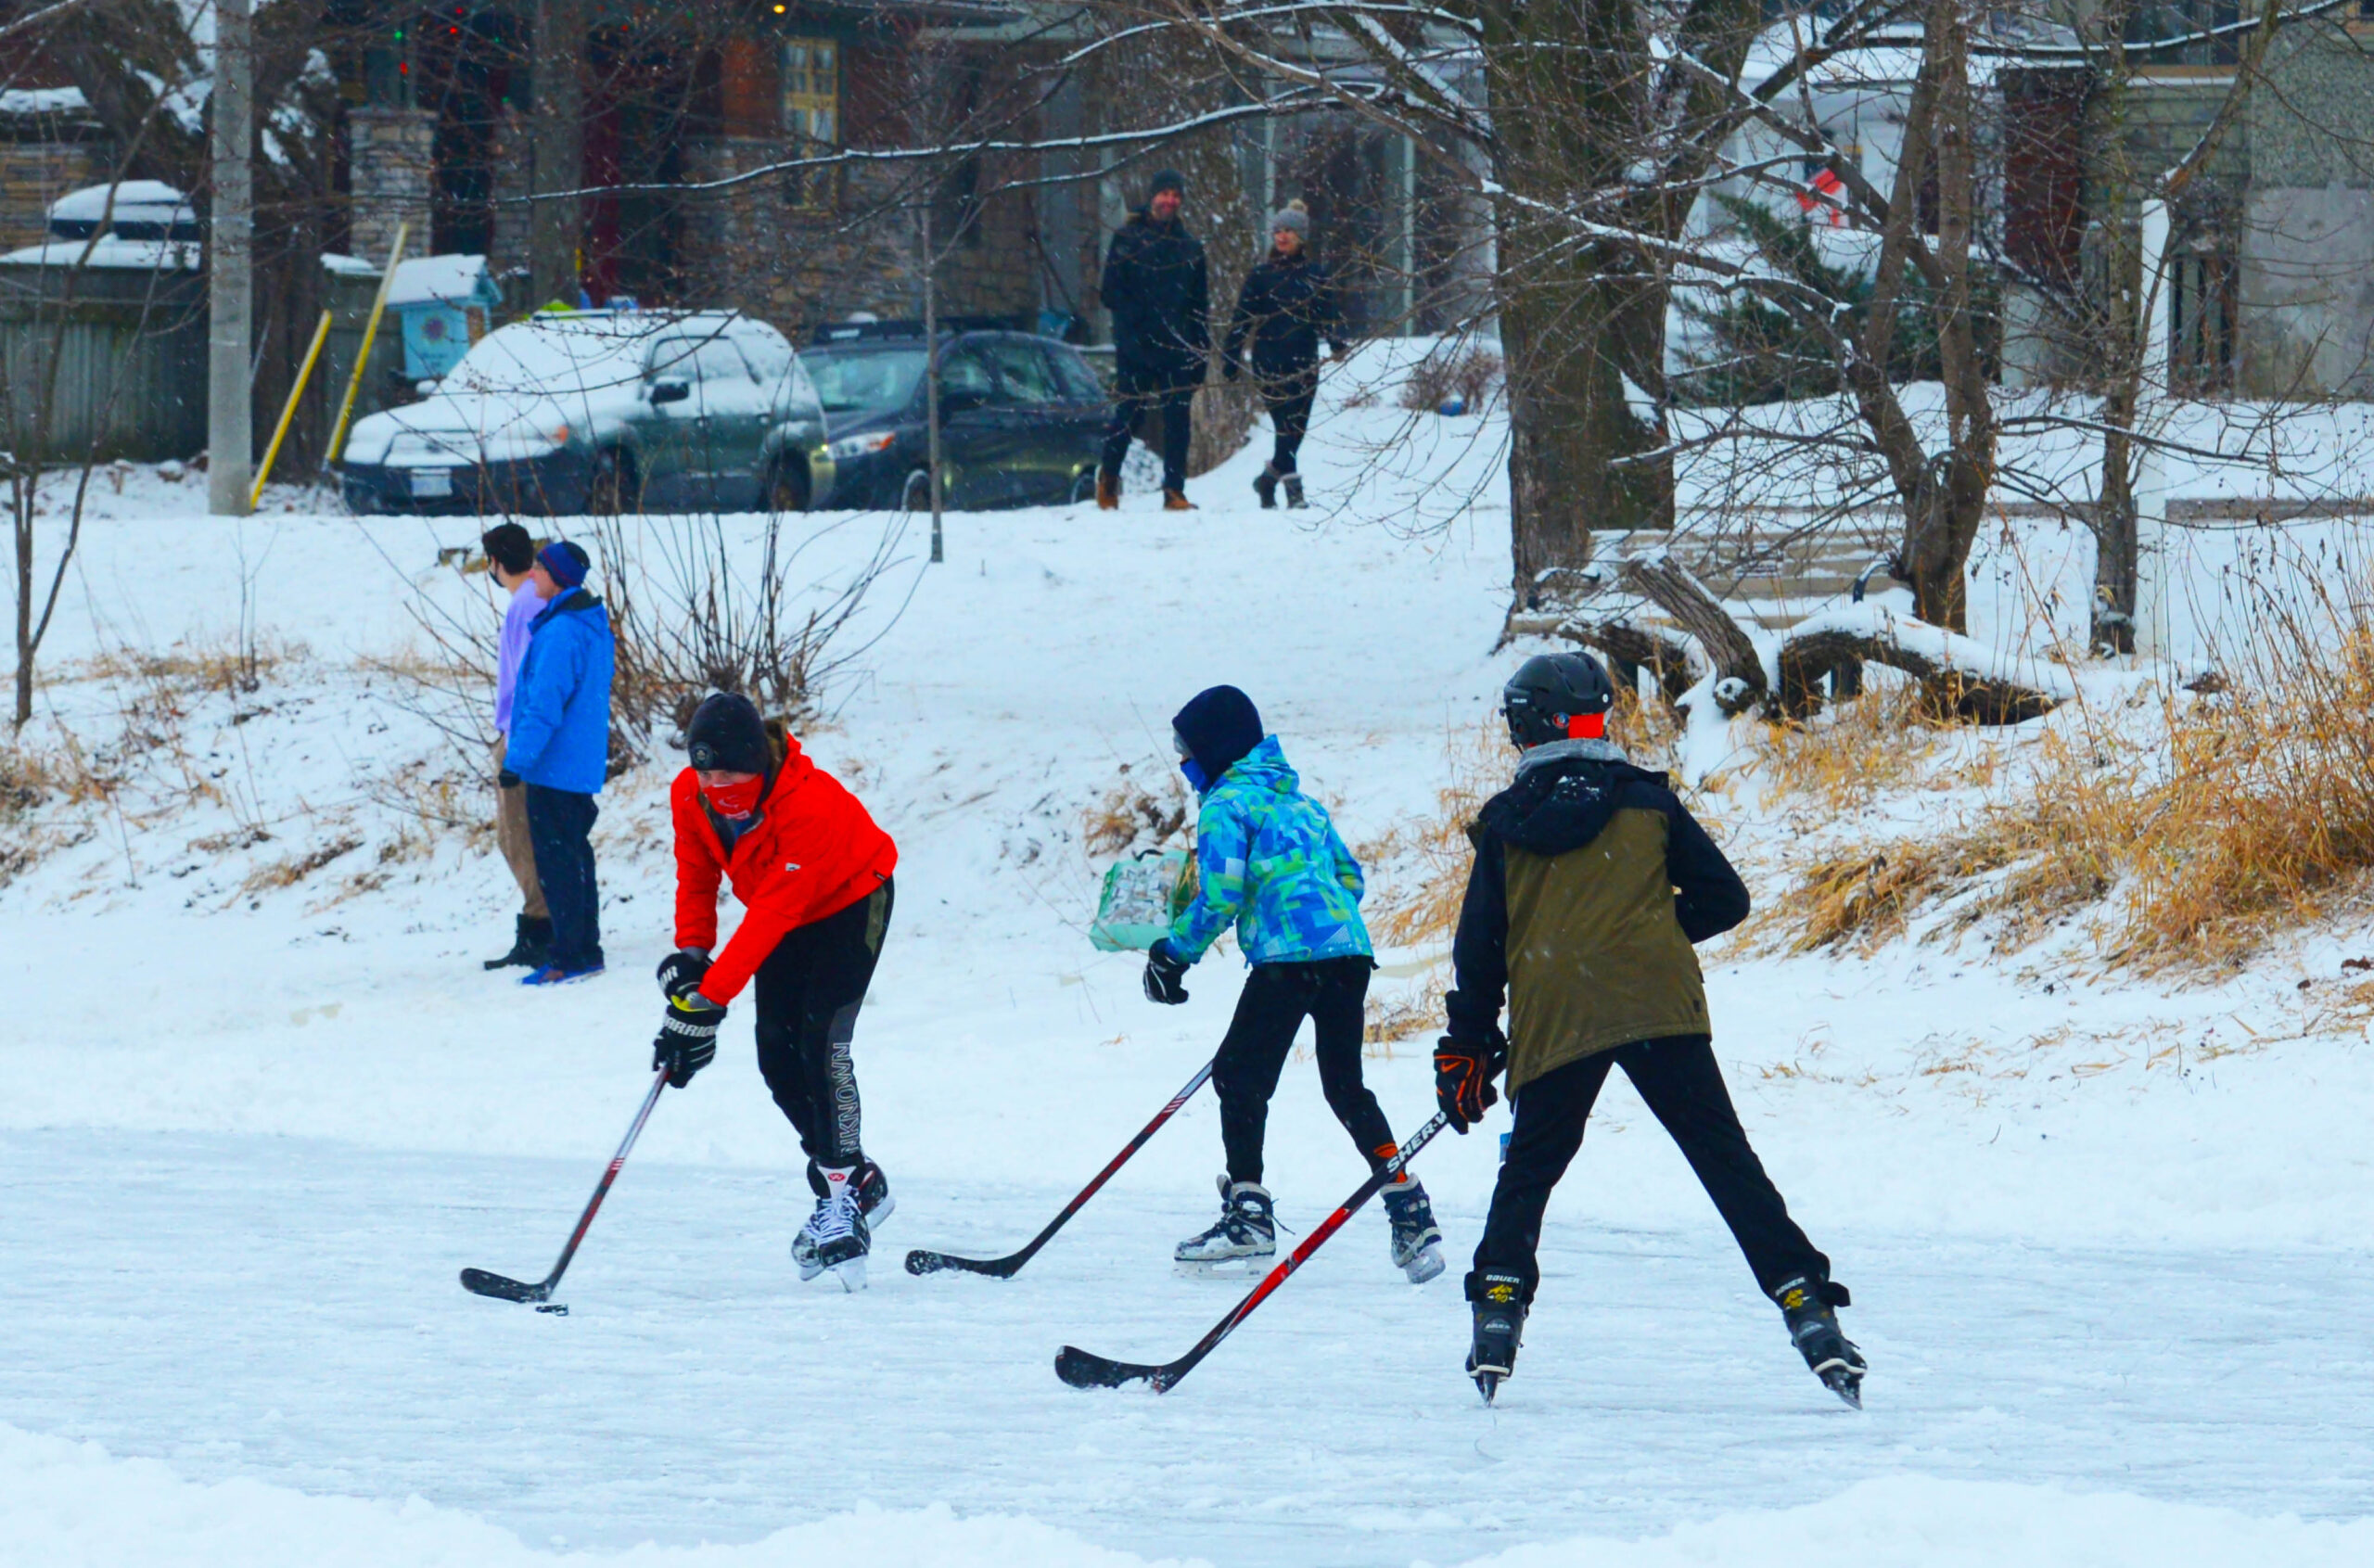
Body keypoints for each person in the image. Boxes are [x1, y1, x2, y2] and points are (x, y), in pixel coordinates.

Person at [1436, 651, 1864, 1406]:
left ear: (1525, 727)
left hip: (1560, 1009)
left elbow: (1480, 949)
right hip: (1658, 1004)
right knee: (1725, 1160)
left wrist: (1468, 1042)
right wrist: (1647, 935)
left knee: (1530, 1169)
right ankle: (1805, 1299)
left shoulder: (1507, 822)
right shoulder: (1647, 801)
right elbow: (1726, 897)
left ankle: (1498, 1305)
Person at [1142, 684, 1443, 1285]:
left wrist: (1172, 956)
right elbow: (1350, 878)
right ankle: (1408, 1207)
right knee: (1346, 1088)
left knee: (1239, 1078)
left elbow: (1221, 895)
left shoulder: (1226, 805)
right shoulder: (1301, 804)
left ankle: (1248, 1214)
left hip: (1287, 961)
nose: (1184, 763)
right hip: (1348, 954)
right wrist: (1321, 922)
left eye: (1187, 751)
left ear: (1215, 749)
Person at [651, 692, 899, 1291]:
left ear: (758, 764)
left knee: (822, 1045)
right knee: (775, 1054)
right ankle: (855, 1178)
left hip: (850, 898)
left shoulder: (805, 804)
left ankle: (842, 1191)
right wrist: (691, 960)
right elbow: (696, 874)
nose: (717, 786)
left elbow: (771, 915)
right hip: (782, 907)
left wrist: (709, 1002)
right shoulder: (689, 796)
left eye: (730, 773)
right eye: (706, 773)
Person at [498, 541, 614, 987]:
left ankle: (570, 956)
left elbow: (544, 706)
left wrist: (517, 761)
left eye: (539, 569)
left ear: (556, 576)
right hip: (577, 764)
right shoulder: (587, 623)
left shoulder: (562, 631)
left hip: (554, 767)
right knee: (576, 859)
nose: (531, 575)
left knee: (559, 865)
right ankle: (586, 950)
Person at [1096, 168, 1210, 512]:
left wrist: (1200, 350)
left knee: (1178, 421)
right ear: (1152, 197)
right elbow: (1109, 293)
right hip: (1136, 346)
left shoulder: (1190, 247)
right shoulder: (1128, 239)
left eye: (1175, 195)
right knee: (1129, 415)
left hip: (1177, 346)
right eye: (1164, 194)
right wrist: (1133, 326)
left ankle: (1174, 489)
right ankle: (1108, 479)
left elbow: (1198, 305)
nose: (1169, 201)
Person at [1222, 200, 1347, 511]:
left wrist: (1336, 341)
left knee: (1297, 428)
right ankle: (1294, 491)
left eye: (1289, 230)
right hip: (1269, 360)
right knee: (1285, 426)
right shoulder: (1261, 275)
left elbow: (1327, 314)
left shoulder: (1315, 275)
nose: (1282, 236)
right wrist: (1231, 355)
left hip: (1304, 360)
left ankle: (1268, 480)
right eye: (1278, 230)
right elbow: (1242, 318)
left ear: (1301, 236)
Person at [480, 524, 554, 971]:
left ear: (495, 562)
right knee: (522, 835)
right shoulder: (532, 599)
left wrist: (517, 744)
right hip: (521, 733)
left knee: (518, 835)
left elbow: (530, 680)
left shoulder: (526, 604)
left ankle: (540, 927)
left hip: (520, 737)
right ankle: (543, 921)